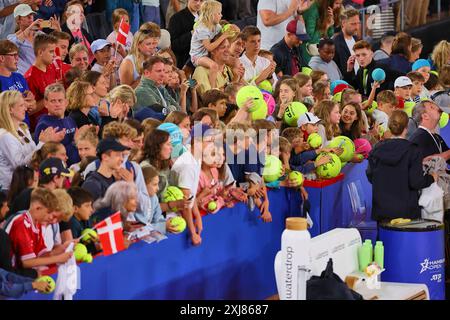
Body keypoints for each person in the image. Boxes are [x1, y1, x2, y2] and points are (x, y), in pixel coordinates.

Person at [367, 110, 437, 222]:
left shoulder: (376, 148)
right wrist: (432, 177)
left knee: (383, 239)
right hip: (406, 211)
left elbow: (370, 175)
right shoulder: (413, 150)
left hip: (382, 209)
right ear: (406, 127)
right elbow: (416, 182)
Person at [169, 123, 219, 246]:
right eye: (209, 141)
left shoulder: (196, 159)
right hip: (175, 216)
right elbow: (185, 202)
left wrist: (197, 216)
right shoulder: (188, 165)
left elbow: (191, 195)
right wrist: (193, 233)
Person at [0, 90, 60, 191]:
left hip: (28, 184)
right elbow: (20, 166)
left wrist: (47, 143)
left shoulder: (23, 128)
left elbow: (33, 153)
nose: (25, 108)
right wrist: (41, 142)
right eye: (21, 105)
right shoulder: (5, 136)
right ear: (10, 109)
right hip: (10, 190)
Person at [5, 187, 72, 271]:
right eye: (48, 212)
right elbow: (26, 262)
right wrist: (58, 258)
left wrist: (62, 249)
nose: (50, 217)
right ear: (37, 208)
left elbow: (41, 256)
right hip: (9, 273)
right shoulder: (21, 223)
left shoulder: (37, 224)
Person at [25, 33, 71, 131]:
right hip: (41, 128)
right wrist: (50, 94)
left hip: (58, 122)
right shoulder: (30, 77)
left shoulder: (52, 68)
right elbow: (29, 111)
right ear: (40, 52)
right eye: (51, 51)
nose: (54, 54)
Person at [189, 0, 232, 90]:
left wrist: (233, 31)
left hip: (206, 54)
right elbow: (209, 47)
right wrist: (224, 36)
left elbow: (224, 40)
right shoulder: (202, 28)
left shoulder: (217, 26)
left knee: (234, 62)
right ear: (211, 14)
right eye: (219, 13)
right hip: (197, 56)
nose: (221, 15)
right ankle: (213, 89)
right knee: (214, 66)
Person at [34, 83, 79, 166]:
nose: (57, 104)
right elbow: (42, 157)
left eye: (60, 100)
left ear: (66, 102)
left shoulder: (70, 120)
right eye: (53, 101)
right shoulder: (44, 126)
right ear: (45, 103)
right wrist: (75, 142)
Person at [81, 138, 128, 203]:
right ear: (105, 157)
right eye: (118, 155)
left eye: (122, 155)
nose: (122, 159)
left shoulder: (114, 180)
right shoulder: (92, 185)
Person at [119, 23, 161, 88]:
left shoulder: (155, 57)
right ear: (138, 45)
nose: (152, 47)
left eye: (154, 43)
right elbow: (125, 92)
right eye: (148, 44)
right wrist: (144, 77)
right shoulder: (128, 62)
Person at [168, 0, 201, 69]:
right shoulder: (176, 18)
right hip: (184, 63)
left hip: (201, 62)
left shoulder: (203, 18)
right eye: (195, 0)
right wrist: (192, 33)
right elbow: (174, 45)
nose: (198, 3)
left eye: (201, 0)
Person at [332, 7, 360, 74]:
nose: (357, 27)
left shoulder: (356, 39)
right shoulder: (336, 42)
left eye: (358, 23)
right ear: (343, 23)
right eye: (353, 24)